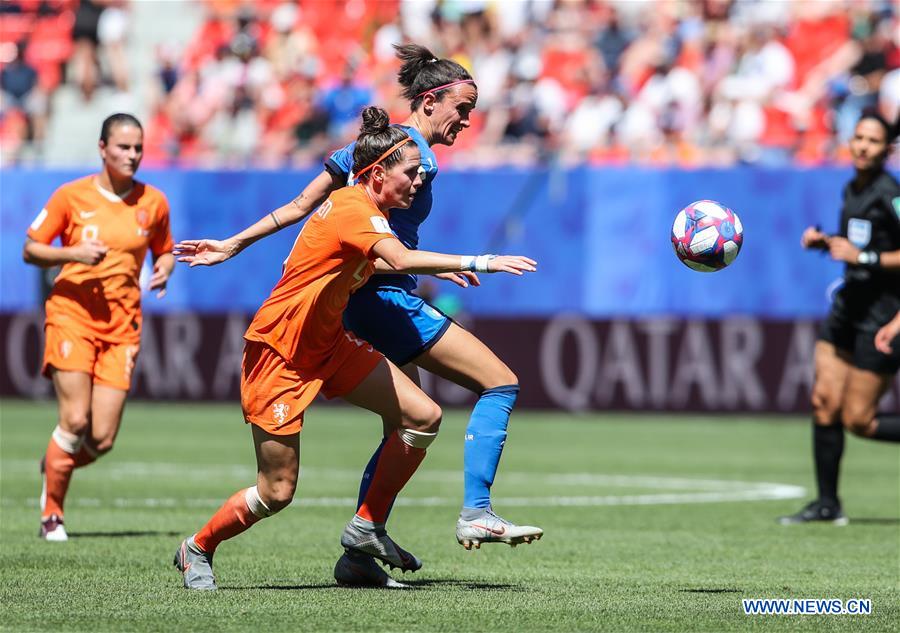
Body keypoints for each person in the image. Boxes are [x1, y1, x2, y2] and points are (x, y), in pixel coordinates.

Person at [174, 44, 543, 584]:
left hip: (339, 329)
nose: (468, 120)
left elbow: (307, 208)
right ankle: (200, 546)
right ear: (430, 100)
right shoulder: (380, 179)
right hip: (296, 342)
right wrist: (478, 261)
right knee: (278, 490)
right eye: (463, 107)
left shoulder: (378, 160)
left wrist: (234, 244)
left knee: (417, 418)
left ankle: (361, 548)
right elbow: (388, 250)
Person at [23, 113, 175, 541]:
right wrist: (72, 254)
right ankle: (52, 512)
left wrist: (164, 270)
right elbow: (31, 249)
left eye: (138, 147)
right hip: (72, 315)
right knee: (73, 419)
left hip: (123, 325)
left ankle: (56, 463)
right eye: (123, 147)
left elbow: (164, 251)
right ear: (102, 148)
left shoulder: (153, 202)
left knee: (102, 438)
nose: (132, 155)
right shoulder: (71, 196)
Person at [780, 112, 900, 525]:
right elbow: (857, 245)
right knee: (823, 403)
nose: (864, 145)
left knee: (859, 420)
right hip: (847, 310)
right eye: (859, 137)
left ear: (887, 149)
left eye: (873, 140)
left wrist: (862, 256)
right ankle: (828, 504)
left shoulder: (891, 194)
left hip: (882, 318)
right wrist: (826, 242)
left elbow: (869, 252)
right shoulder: (853, 188)